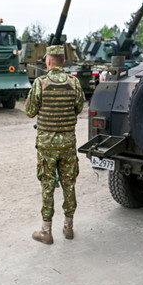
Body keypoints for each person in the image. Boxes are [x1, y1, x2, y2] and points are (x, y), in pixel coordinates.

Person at [24, 45, 85, 244]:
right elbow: (78, 107)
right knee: (69, 185)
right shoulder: (74, 82)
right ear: (63, 61)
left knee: (47, 186)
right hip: (67, 144)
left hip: (47, 145)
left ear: (48, 61)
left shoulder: (40, 83)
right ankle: (68, 228)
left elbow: (30, 112)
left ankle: (46, 231)